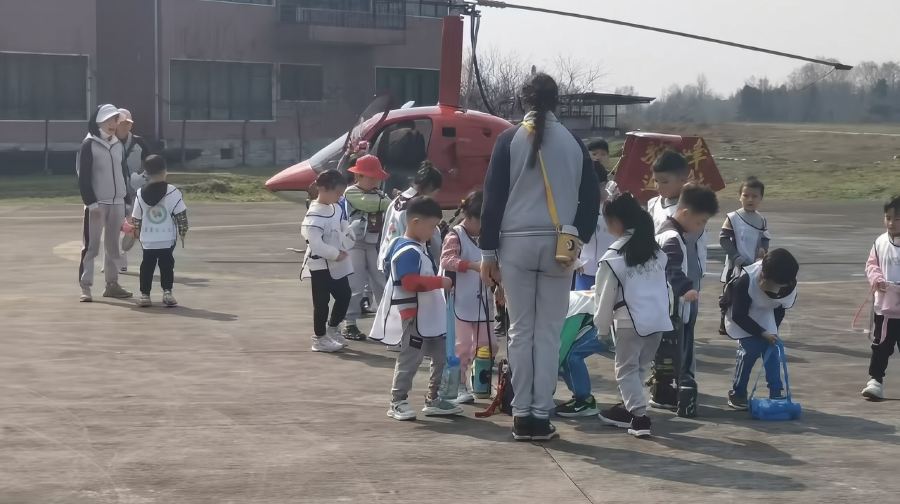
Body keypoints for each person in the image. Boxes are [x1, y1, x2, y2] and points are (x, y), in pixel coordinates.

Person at [480, 73, 600, 441]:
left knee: (520, 331)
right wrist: (577, 237)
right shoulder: (573, 142)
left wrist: (487, 252)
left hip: (515, 243)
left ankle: (519, 414)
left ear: (522, 102)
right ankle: (539, 413)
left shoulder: (508, 139)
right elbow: (591, 198)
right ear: (557, 101)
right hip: (558, 246)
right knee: (547, 333)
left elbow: (493, 197)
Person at [372, 196, 463, 420]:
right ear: (414, 222)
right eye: (431, 226)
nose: (433, 232)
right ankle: (398, 401)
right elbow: (409, 282)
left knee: (440, 356)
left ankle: (433, 398)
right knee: (410, 359)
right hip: (413, 316)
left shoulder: (416, 247)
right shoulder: (407, 250)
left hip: (430, 315)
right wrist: (440, 283)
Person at [592, 193, 673, 437]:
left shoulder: (614, 256)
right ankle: (632, 409)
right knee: (639, 368)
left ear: (617, 222)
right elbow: (666, 289)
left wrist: (602, 328)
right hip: (658, 321)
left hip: (630, 322)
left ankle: (639, 418)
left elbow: (604, 296)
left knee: (625, 370)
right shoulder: (656, 252)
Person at [647, 152, 709, 408]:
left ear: (684, 180)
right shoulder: (653, 204)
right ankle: (662, 381)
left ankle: (684, 381)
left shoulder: (690, 209)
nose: (659, 187)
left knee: (683, 330)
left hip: (684, 279)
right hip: (657, 278)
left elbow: (688, 247)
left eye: (665, 181)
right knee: (662, 332)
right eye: (656, 181)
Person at [653, 183, 719, 410]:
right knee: (670, 352)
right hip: (670, 305)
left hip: (666, 303)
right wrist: (686, 288)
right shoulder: (672, 237)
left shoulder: (670, 231)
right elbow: (672, 267)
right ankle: (662, 393)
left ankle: (662, 391)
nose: (700, 227)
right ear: (685, 213)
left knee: (666, 352)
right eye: (700, 222)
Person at [722, 248, 798, 410]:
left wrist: (772, 331)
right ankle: (738, 392)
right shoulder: (745, 281)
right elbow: (739, 315)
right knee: (749, 352)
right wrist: (761, 333)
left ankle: (776, 392)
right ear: (763, 275)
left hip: (768, 317)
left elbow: (780, 308)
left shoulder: (788, 284)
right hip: (744, 318)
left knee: (773, 354)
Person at [439, 191, 496, 405]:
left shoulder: (487, 236)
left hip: (483, 300)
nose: (481, 226)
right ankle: (460, 384)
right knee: (462, 346)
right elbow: (447, 260)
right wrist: (472, 266)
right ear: (468, 217)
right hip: (460, 300)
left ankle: (478, 380)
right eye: (478, 221)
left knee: (487, 344)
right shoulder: (456, 235)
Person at [76, 104, 132, 302]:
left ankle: (112, 284)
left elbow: (123, 174)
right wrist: (91, 203)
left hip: (117, 203)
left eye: (115, 120)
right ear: (98, 121)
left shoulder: (118, 145)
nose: (112, 124)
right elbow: (83, 178)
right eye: (108, 119)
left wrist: (126, 200)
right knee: (91, 247)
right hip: (97, 205)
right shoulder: (88, 145)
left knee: (113, 247)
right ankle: (86, 287)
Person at [301, 170, 355, 353]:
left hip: (337, 264)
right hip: (320, 266)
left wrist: (348, 233)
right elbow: (315, 244)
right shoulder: (313, 216)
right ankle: (319, 338)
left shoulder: (336, 207)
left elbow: (342, 225)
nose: (340, 197)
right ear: (322, 189)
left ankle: (332, 328)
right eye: (337, 193)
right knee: (321, 303)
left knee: (344, 295)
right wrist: (334, 253)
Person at [342, 155, 391, 341]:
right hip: (354, 243)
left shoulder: (380, 194)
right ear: (359, 176)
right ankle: (350, 323)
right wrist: (393, 202)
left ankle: (385, 322)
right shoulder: (350, 192)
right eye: (370, 177)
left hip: (374, 242)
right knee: (355, 284)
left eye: (376, 177)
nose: (374, 181)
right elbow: (368, 203)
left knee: (381, 282)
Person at [131, 155, 188, 308]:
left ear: (146, 174)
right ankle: (167, 292)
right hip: (167, 239)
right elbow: (181, 216)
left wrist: (136, 232)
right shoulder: (173, 191)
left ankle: (145, 295)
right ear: (165, 172)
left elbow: (136, 218)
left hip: (148, 240)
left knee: (147, 266)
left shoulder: (139, 193)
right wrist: (183, 232)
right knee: (167, 265)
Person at [719, 177, 770, 333]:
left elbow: (764, 239)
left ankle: (745, 323)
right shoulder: (733, 217)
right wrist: (736, 257)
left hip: (753, 265)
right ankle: (724, 322)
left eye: (754, 196)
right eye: (746, 195)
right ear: (739, 196)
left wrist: (762, 253)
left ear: (761, 198)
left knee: (750, 294)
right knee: (729, 293)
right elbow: (724, 239)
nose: (750, 199)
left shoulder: (761, 220)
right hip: (735, 265)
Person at [861, 196, 900, 401]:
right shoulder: (880, 242)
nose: (892, 223)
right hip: (885, 308)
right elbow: (871, 264)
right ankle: (875, 381)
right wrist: (876, 278)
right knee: (881, 345)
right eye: (888, 218)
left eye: (897, 219)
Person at [378, 160, 443, 269]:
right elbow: (433, 242)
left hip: (387, 256)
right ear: (430, 187)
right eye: (435, 193)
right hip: (407, 260)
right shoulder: (420, 208)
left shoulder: (396, 201)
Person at [114, 108, 152, 273]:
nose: (125, 126)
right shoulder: (108, 142)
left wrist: (143, 177)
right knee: (113, 226)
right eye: (122, 123)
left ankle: (122, 257)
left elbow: (151, 163)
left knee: (129, 226)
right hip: (114, 190)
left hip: (135, 192)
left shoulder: (139, 142)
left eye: (128, 123)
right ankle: (112, 260)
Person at [574, 155, 614, 290]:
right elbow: (572, 235)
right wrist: (575, 260)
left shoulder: (616, 205)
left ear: (605, 184)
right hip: (585, 270)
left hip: (611, 272)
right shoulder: (581, 206)